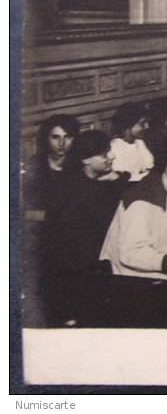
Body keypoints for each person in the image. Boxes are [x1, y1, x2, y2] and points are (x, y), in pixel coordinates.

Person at [42, 130, 127, 324]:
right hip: (77, 273)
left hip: (85, 265)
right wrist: (117, 180)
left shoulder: (82, 181)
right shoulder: (81, 192)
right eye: (105, 153)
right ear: (86, 160)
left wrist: (115, 179)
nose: (111, 157)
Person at [100, 130, 167, 280]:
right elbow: (131, 253)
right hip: (131, 278)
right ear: (164, 161)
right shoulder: (141, 198)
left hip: (165, 274)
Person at [22, 114, 80, 217]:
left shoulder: (79, 164)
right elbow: (26, 213)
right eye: (55, 137)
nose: (61, 143)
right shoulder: (34, 166)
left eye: (67, 137)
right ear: (46, 139)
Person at [109, 102, 154, 182]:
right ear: (128, 125)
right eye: (142, 123)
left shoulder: (139, 143)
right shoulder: (113, 148)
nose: (147, 127)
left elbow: (149, 167)